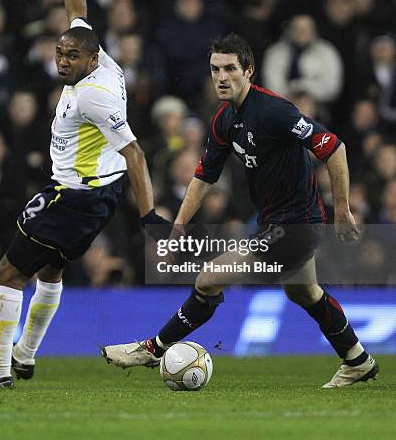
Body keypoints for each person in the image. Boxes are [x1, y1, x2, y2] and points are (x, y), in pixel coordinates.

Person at [103, 33, 379, 389]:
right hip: (274, 221)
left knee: (207, 279)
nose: (221, 76)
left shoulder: (274, 111)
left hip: (298, 225)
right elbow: (204, 175)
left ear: (249, 71)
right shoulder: (223, 120)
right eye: (215, 69)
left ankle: (154, 348)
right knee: (303, 292)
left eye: (230, 68)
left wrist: (342, 208)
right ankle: (357, 360)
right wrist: (179, 226)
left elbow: (333, 147)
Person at [0, 0, 167, 388]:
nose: (62, 62)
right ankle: (26, 356)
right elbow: (78, 9)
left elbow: (135, 152)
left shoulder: (95, 95)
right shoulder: (100, 56)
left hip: (78, 195)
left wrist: (149, 216)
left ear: (91, 60)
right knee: (50, 270)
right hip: (94, 192)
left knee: (8, 270)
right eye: (59, 53)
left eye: (71, 56)